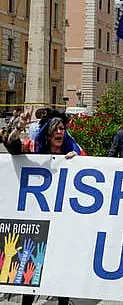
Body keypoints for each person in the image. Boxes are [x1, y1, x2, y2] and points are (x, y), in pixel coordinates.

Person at [6, 108, 80, 305]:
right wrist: (20, 126)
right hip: (38, 222)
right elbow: (12, 147)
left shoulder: (74, 153)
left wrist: (78, 161)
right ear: (48, 133)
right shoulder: (33, 148)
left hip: (63, 222)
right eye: (55, 129)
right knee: (32, 268)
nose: (59, 132)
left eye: (62, 129)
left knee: (61, 268)